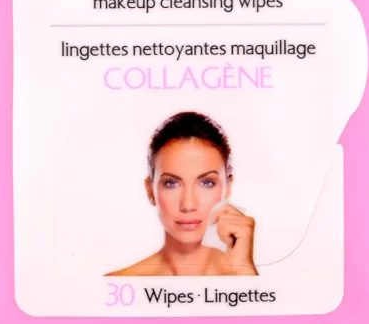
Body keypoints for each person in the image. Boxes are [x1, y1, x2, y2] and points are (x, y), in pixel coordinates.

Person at [106, 111, 258, 277]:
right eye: (171, 183)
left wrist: (246, 274)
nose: (188, 205)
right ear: (150, 191)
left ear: (228, 187)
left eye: (207, 183)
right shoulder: (117, 283)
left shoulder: (244, 275)